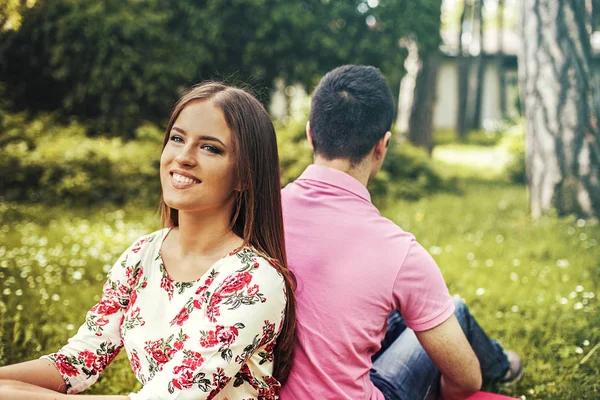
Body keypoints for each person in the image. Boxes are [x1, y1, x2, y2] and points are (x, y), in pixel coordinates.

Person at [0, 82, 296, 400]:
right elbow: (77, 364)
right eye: (177, 139)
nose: (183, 157)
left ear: (244, 176)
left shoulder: (252, 282)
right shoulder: (142, 255)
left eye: (209, 148)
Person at [279, 65, 522, 400]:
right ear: (382, 146)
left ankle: (500, 360)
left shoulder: (262, 213)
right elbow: (466, 381)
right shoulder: (398, 252)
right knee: (454, 310)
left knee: (398, 312)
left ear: (310, 135)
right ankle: (502, 365)